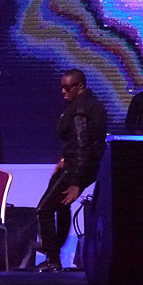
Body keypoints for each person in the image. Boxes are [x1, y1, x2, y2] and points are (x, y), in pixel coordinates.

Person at [36, 69, 108, 273]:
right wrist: (63, 158)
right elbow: (81, 142)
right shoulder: (92, 104)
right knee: (61, 206)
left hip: (77, 166)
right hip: (80, 164)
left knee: (43, 209)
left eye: (67, 88)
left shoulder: (80, 109)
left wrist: (76, 181)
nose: (63, 91)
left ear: (80, 86)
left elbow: (82, 145)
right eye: (62, 87)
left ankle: (52, 256)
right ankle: (54, 252)